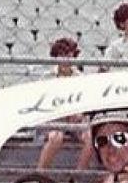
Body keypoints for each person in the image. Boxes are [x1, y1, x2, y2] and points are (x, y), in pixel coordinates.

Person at [36, 38, 93, 172]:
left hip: (75, 118)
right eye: (62, 55)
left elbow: (86, 102)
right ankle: (40, 174)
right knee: (56, 137)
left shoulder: (80, 78)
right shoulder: (47, 77)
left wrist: (79, 113)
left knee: (90, 137)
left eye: (69, 55)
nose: (66, 60)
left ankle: (78, 175)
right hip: (54, 118)